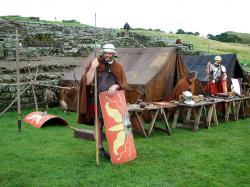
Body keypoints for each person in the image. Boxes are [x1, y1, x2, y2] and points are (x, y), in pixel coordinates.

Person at [77, 44, 127, 159]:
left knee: (115, 124)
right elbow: (88, 82)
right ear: (103, 53)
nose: (108, 55)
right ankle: (101, 149)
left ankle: (117, 150)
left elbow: (123, 84)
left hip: (113, 101)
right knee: (98, 125)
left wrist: (115, 86)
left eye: (110, 53)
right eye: (106, 53)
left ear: (114, 53)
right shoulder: (95, 63)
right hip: (97, 100)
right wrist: (93, 67)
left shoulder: (118, 67)